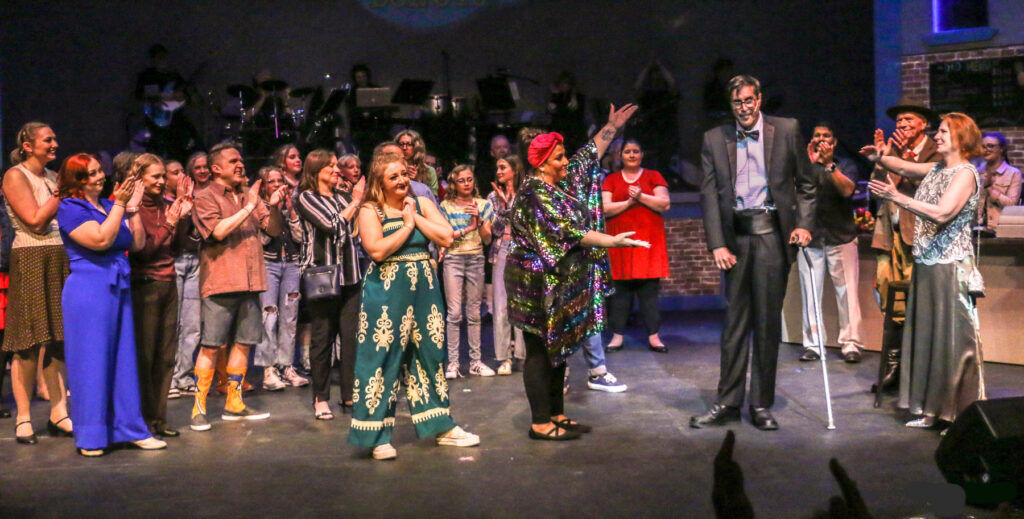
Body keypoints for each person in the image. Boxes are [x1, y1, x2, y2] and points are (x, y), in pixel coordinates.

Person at [506, 104, 645, 441]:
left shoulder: (559, 181)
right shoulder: (534, 193)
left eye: (563, 156)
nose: (565, 162)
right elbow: (571, 232)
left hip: (556, 281)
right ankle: (540, 422)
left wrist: (610, 127)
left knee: (559, 348)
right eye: (558, 158)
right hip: (534, 283)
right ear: (541, 163)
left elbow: (586, 156)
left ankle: (556, 414)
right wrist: (611, 240)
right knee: (540, 350)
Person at [691, 75, 815, 431]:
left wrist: (804, 223)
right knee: (733, 326)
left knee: (766, 325)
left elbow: (806, 184)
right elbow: (710, 195)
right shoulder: (714, 139)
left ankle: (761, 404)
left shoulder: (787, 129)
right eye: (736, 103)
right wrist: (717, 243)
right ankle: (727, 402)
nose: (743, 108)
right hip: (736, 241)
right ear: (730, 105)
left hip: (772, 239)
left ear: (759, 99)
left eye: (748, 101)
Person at [348, 152, 480, 460]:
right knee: (383, 357)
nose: (402, 181)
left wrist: (414, 215)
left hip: (424, 288)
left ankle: (442, 426)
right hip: (387, 292)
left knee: (430, 355)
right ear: (380, 182)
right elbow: (377, 250)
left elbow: (446, 236)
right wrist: (407, 228)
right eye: (393, 177)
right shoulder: (370, 209)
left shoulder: (420, 203)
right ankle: (377, 436)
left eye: (403, 175)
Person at [865, 112, 986, 429]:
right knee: (929, 339)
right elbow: (903, 167)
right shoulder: (936, 169)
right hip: (928, 265)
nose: (938, 136)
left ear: (960, 137)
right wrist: (883, 156)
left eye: (944, 131)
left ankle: (961, 416)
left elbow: (943, 213)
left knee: (954, 343)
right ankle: (933, 411)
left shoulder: (965, 174)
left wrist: (896, 196)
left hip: (950, 267)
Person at [57, 153, 167, 455]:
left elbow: (137, 243)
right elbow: (101, 240)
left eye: (99, 171)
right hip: (88, 290)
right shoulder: (70, 208)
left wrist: (131, 210)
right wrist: (120, 204)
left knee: (123, 360)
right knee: (91, 362)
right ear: (77, 181)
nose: (99, 176)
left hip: (118, 286)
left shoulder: (107, 205)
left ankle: (130, 428)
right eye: (91, 173)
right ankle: (91, 436)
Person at [189, 142, 285, 431]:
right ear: (216, 168)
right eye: (233, 161)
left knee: (244, 342)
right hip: (221, 281)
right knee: (211, 344)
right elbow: (217, 231)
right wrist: (250, 207)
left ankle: (234, 402)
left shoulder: (247, 195)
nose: (240, 164)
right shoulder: (204, 197)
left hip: (251, 281)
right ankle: (199, 408)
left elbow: (273, 229)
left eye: (241, 159)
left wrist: (275, 207)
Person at [3, 122, 73, 444]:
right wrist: (62, 190)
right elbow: (35, 220)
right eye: (48, 139)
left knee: (59, 338)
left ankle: (59, 412)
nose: (55, 143)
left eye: (55, 138)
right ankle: (24, 416)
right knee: (28, 342)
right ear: (28, 145)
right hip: (30, 258)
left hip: (58, 257)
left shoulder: (53, 176)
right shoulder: (15, 175)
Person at [871, 99, 940, 392]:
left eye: (908, 120)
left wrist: (902, 157)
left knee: (916, 302)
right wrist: (880, 159)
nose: (902, 125)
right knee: (887, 293)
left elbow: (925, 182)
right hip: (890, 233)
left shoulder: (935, 151)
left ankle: (915, 368)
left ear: (923, 124)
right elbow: (878, 189)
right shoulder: (891, 149)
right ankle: (894, 365)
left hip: (919, 236)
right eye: (898, 121)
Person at [128, 153, 194, 438]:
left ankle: (159, 419)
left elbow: (177, 248)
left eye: (162, 176)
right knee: (146, 355)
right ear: (139, 178)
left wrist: (183, 217)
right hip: (145, 283)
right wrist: (170, 221)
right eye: (154, 176)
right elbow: (143, 251)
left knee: (166, 356)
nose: (161, 181)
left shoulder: (166, 206)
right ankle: (142, 419)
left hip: (169, 282)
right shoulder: (134, 210)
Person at [294, 150, 363, 419]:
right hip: (322, 276)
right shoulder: (306, 197)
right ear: (316, 170)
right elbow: (333, 225)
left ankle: (349, 395)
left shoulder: (343, 197)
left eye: (337, 165)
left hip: (351, 276)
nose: (337, 170)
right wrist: (355, 203)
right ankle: (321, 398)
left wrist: (354, 204)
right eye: (331, 166)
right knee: (322, 339)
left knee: (350, 339)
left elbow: (354, 228)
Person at [796, 122, 865, 364]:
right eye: (817, 135)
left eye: (826, 136)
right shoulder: (802, 164)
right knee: (810, 293)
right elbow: (796, 192)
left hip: (841, 236)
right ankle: (814, 345)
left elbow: (847, 190)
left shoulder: (845, 164)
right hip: (811, 237)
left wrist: (828, 165)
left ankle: (851, 343)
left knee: (847, 294)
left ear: (834, 142)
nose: (821, 139)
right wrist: (809, 164)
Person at [601, 139, 671, 352]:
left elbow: (664, 203)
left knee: (649, 291)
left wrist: (640, 196)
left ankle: (654, 336)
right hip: (620, 241)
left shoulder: (653, 176)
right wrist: (628, 203)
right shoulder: (612, 180)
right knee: (620, 292)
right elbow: (604, 208)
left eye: (635, 151)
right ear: (619, 155)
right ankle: (617, 336)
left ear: (642, 154)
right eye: (627, 152)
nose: (632, 155)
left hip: (648, 241)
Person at [254, 166, 309, 392]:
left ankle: (286, 365)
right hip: (269, 264)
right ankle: (268, 369)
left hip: (291, 264)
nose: (277, 184)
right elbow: (265, 241)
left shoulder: (290, 206)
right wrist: (274, 209)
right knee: (269, 316)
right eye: (271, 181)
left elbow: (299, 237)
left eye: (279, 180)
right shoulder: (258, 206)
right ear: (264, 185)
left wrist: (291, 211)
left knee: (290, 317)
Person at [439, 165, 494, 378]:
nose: (466, 183)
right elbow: (445, 236)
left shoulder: (483, 204)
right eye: (461, 180)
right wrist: (468, 228)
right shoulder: (446, 206)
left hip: (476, 258)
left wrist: (479, 221)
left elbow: (488, 239)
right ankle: (452, 363)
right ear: (454, 183)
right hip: (453, 258)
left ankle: (475, 362)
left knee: (473, 312)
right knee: (454, 313)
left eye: (469, 179)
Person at [168, 152, 207, 397]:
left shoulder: (197, 199)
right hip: (173, 261)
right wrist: (181, 203)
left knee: (192, 324)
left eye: (182, 171)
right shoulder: (163, 202)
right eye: (174, 173)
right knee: (173, 323)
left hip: (195, 261)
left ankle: (184, 376)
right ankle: (169, 378)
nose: (181, 176)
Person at [487, 156, 527, 375]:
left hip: (524, 252)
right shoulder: (493, 197)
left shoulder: (526, 194)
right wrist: (503, 207)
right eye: (497, 168)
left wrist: (511, 206)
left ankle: (522, 355)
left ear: (515, 170)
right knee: (501, 306)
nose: (499, 171)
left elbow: (526, 226)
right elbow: (494, 230)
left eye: (503, 167)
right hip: (502, 250)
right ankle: (504, 358)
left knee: (522, 305)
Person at [979, 132, 1021, 232]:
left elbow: (1012, 205)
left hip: (1001, 228)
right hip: (978, 229)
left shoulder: (1013, 173)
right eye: (983, 147)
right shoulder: (977, 172)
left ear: (1001, 149)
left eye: (991, 146)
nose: (986, 150)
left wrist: (990, 188)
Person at [395, 129, 439, 195]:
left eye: (409, 144)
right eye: (401, 144)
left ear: (416, 147)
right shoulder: (392, 168)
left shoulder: (429, 171)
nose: (404, 148)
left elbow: (432, 197)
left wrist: (416, 182)